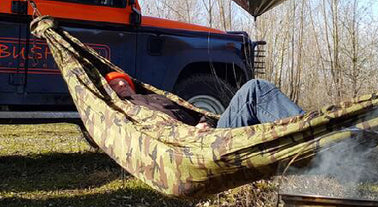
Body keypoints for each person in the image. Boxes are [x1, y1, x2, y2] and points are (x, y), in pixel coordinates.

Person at [105, 71, 305, 130]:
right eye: (115, 85)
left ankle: (307, 129)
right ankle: (307, 129)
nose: (121, 85)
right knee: (255, 89)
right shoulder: (126, 110)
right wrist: (192, 133)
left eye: (123, 82)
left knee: (256, 89)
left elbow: (200, 114)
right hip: (194, 144)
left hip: (211, 133)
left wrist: (203, 122)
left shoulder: (154, 97)